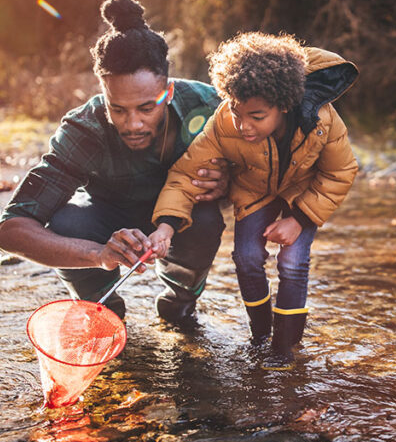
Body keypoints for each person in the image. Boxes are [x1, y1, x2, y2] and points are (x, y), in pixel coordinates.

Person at [0, 0, 227, 326]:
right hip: (105, 219)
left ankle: (180, 302)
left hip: (183, 220)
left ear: (169, 92)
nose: (133, 124)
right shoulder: (84, 129)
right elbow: (11, 230)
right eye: (117, 109)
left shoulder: (209, 107)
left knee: (207, 220)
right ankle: (104, 313)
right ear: (103, 92)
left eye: (147, 108)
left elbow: (268, 165)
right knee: (67, 223)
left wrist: (228, 182)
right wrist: (97, 255)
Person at [147, 31, 359, 369]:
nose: (243, 125)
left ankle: (284, 348)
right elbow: (186, 175)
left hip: (301, 195)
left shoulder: (322, 121)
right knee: (245, 257)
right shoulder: (223, 124)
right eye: (236, 112)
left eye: (256, 117)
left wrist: (300, 220)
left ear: (284, 105)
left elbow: (341, 171)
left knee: (292, 261)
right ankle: (260, 336)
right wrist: (166, 225)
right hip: (253, 191)